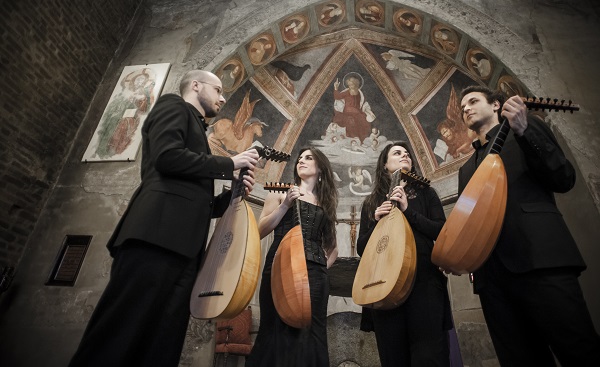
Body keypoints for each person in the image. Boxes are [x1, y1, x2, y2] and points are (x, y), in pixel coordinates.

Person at [68, 70, 260, 367]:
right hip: (154, 238)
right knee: (119, 334)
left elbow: (197, 201)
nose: (223, 97)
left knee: (162, 344)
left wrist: (233, 194)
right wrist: (229, 162)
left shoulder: (199, 129)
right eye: (218, 89)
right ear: (196, 86)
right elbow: (167, 157)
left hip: (185, 250)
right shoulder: (173, 105)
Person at [456, 85, 600, 366]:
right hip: (492, 279)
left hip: (540, 260)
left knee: (579, 350)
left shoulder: (525, 128)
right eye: (462, 109)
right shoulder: (466, 169)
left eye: (473, 101)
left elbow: (564, 178)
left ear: (496, 105)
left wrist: (524, 131)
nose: (466, 109)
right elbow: (466, 222)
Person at [357, 142, 452, 366]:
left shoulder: (426, 193)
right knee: (393, 357)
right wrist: (376, 223)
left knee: (429, 356)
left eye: (407, 154)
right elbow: (362, 248)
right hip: (383, 287)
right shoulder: (371, 203)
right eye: (397, 153)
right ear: (384, 165)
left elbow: (441, 230)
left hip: (424, 282)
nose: (405, 156)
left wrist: (408, 210)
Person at [246, 147, 338, 367]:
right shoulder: (279, 191)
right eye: (300, 158)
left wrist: (320, 266)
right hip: (280, 266)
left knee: (312, 330)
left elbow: (333, 248)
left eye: (309, 158)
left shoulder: (325, 203)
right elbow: (259, 230)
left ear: (320, 169)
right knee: (274, 325)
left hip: (315, 274)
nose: (301, 161)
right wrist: (286, 204)